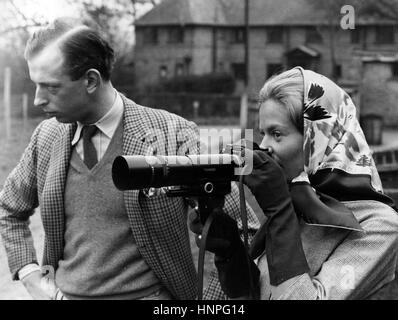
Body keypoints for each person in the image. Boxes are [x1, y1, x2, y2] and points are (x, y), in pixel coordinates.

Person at [0, 18, 260, 300]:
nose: (38, 99)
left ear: (90, 80)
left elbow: (246, 232)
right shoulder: (47, 136)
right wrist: (31, 278)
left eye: (50, 87)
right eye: (35, 85)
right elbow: (9, 209)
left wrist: (209, 302)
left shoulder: (171, 134)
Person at [196, 67, 398, 300]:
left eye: (277, 133)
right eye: (263, 133)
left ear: (317, 138)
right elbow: (259, 294)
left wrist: (280, 210)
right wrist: (230, 250)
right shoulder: (301, 200)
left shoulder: (380, 225)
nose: (264, 146)